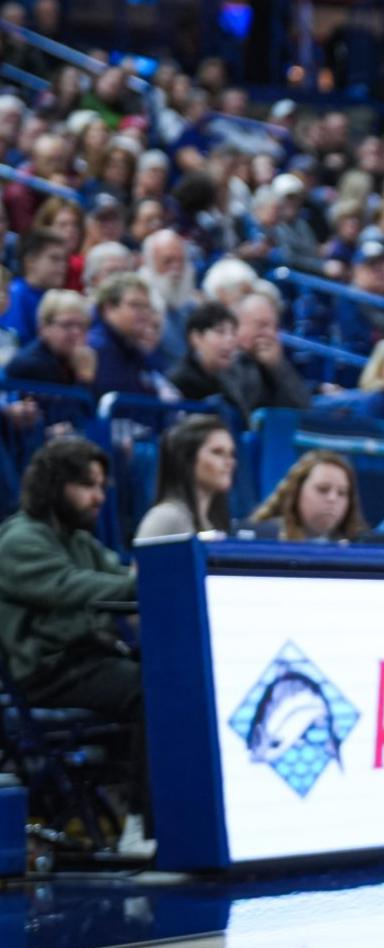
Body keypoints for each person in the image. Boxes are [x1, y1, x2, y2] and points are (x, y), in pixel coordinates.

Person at [0, 438, 148, 853]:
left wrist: (146, 579)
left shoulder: (80, 541)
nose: (98, 497)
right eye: (87, 485)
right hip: (46, 674)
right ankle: (140, 825)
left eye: (102, 486)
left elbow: (117, 577)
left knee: (170, 678)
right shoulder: (18, 540)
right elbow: (72, 587)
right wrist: (154, 578)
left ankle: (166, 814)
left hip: (86, 664)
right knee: (149, 689)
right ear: (54, 485)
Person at [135, 414, 236, 539]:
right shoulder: (166, 518)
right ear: (187, 459)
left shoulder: (211, 523)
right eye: (217, 452)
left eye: (231, 454)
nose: (229, 462)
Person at [245, 449, 365, 542]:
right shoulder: (260, 538)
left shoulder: (362, 546)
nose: (332, 499)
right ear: (296, 492)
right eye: (322, 489)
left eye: (342, 493)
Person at [4, 290, 96, 386]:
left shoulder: (77, 359)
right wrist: (85, 377)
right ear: (44, 327)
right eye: (67, 324)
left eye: (82, 325)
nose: (76, 332)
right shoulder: (31, 365)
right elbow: (70, 400)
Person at [166, 302, 243, 412]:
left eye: (233, 333)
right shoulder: (178, 383)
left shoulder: (235, 380)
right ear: (196, 338)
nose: (230, 340)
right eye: (220, 332)